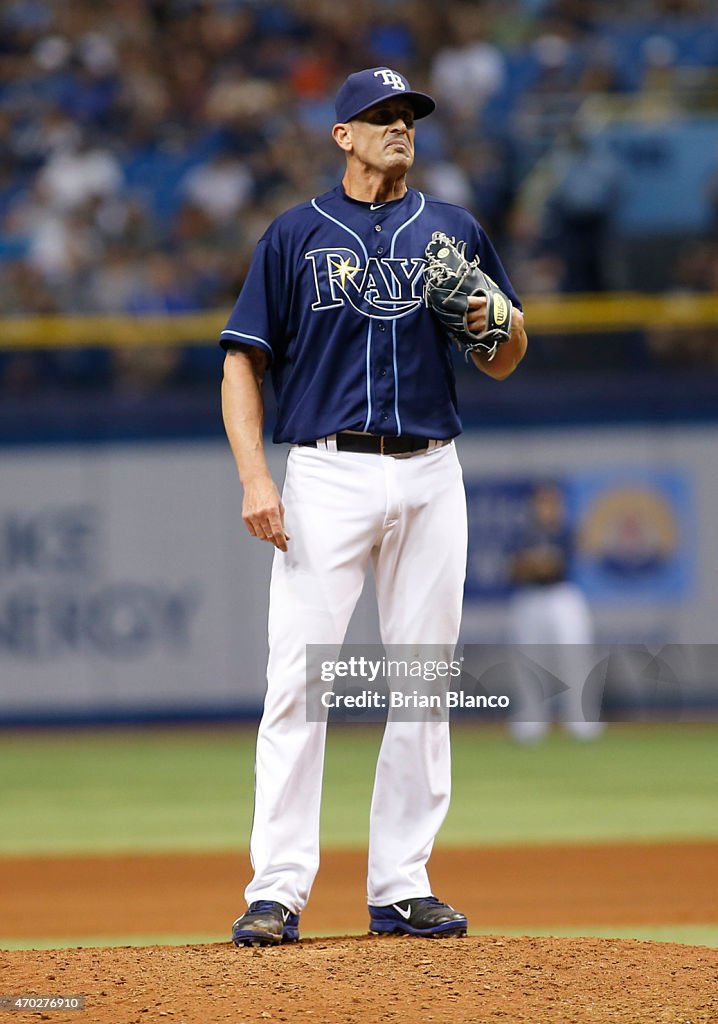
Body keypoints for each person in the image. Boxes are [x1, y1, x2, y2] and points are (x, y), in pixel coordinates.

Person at [220, 66, 527, 946]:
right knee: (297, 687)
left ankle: (401, 883)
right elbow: (244, 360)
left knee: (424, 682)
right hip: (327, 472)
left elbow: (509, 353)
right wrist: (254, 475)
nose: (399, 126)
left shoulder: (452, 229)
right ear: (342, 135)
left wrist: (491, 319)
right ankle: (276, 890)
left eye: (409, 116)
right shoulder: (293, 235)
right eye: (379, 116)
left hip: (432, 470)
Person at [506, 481, 604, 743]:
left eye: (551, 502)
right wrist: (536, 565)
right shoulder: (522, 532)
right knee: (529, 662)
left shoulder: (565, 531)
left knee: (574, 658)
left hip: (562, 596)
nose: (546, 507)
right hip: (529, 598)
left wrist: (536, 564)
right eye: (542, 501)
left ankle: (582, 723)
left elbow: (559, 565)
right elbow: (514, 568)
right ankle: (530, 724)